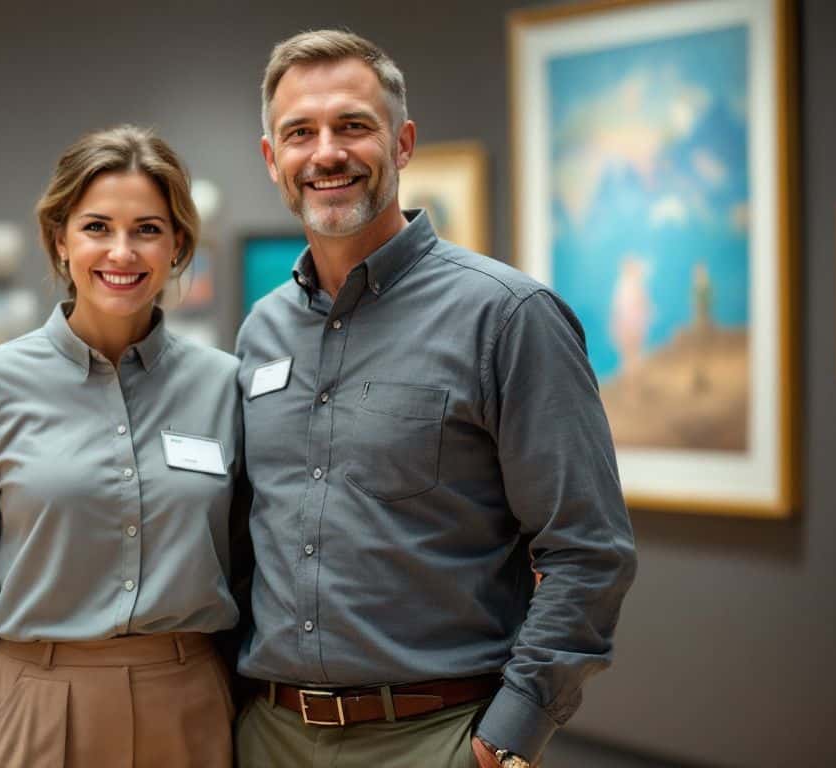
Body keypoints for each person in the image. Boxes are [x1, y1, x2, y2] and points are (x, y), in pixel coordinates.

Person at [232, 30, 637, 768]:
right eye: (300, 133)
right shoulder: (261, 331)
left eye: (353, 125)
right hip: (268, 737)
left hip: (433, 740)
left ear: (404, 142)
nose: (326, 153)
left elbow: (589, 549)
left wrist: (507, 737)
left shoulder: (508, 317)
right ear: (272, 159)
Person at [0, 125, 243, 768]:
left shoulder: (225, 385)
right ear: (60, 239)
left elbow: (251, 570)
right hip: (33, 706)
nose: (122, 251)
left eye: (147, 228)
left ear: (178, 245)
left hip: (191, 707)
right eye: (97, 227)